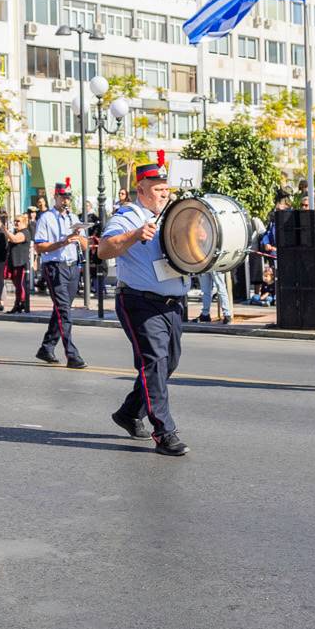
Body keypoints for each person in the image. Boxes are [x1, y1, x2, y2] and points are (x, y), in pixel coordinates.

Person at [92, 159, 187, 456]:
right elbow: (104, 249)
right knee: (154, 364)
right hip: (139, 301)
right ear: (141, 190)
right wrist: (134, 235)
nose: (163, 194)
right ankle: (165, 432)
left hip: (172, 304)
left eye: (166, 188)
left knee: (167, 363)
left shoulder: (172, 215)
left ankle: (129, 413)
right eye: (157, 189)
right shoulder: (128, 216)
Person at [32, 180, 87, 367]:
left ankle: (46, 347)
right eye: (63, 197)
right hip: (55, 266)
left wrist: (79, 236)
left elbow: (86, 246)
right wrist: (63, 242)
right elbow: (39, 246)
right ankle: (71, 353)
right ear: (55, 197)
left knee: (61, 309)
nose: (66, 201)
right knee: (64, 310)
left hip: (73, 266)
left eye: (68, 198)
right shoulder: (46, 218)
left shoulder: (74, 218)